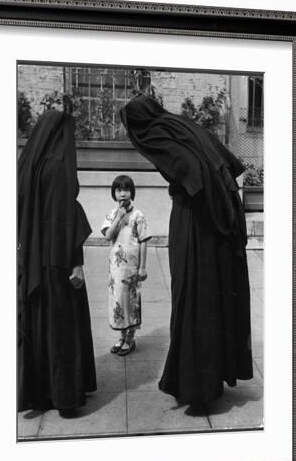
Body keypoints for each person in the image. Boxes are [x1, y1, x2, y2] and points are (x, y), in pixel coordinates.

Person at [120, 94, 253, 411]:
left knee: (193, 294)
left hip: (196, 219)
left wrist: (188, 194)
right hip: (217, 217)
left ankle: (197, 385)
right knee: (212, 292)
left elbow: (193, 173)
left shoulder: (158, 132)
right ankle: (210, 378)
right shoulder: (181, 124)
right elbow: (222, 166)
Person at [17, 109, 96, 414]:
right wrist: (76, 261)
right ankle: (65, 396)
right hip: (59, 261)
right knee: (63, 329)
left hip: (36, 260)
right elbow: (65, 216)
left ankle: (41, 394)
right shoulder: (61, 165)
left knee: (40, 326)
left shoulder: (29, 165)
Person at [101, 175, 151, 356]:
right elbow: (108, 235)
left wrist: (143, 267)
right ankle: (121, 336)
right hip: (115, 268)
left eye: (126, 190)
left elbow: (144, 240)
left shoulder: (138, 215)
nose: (122, 194)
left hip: (131, 267)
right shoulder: (111, 214)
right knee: (118, 300)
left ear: (132, 192)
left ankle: (130, 338)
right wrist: (119, 217)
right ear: (114, 193)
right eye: (119, 190)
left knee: (131, 301)